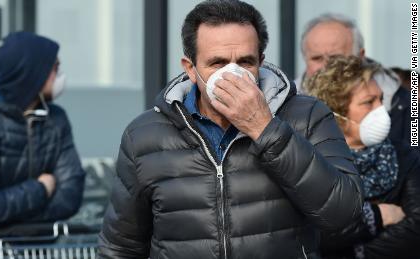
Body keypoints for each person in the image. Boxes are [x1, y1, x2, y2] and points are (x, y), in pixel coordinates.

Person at [98, 1, 363, 258]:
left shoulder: (307, 116)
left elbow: (343, 214)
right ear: (190, 68)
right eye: (217, 63)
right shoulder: (144, 135)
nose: (232, 74)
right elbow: (121, 247)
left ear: (260, 61)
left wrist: (264, 128)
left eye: (246, 62)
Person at [0, 32, 86, 228]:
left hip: (41, 248)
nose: (60, 75)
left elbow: (71, 194)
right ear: (33, 74)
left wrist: (13, 221)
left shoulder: (56, 120)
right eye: (55, 67)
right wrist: (41, 189)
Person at [305, 55, 420, 259]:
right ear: (337, 115)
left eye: (381, 99)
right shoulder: (309, 162)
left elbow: (415, 230)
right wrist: (376, 217)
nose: (381, 110)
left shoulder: (405, 157)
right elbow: (313, 233)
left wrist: (359, 252)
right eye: (369, 102)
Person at [297, 14, 415, 154]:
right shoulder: (282, 110)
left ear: (360, 57)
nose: (326, 68)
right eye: (316, 58)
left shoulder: (406, 109)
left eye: (337, 58)